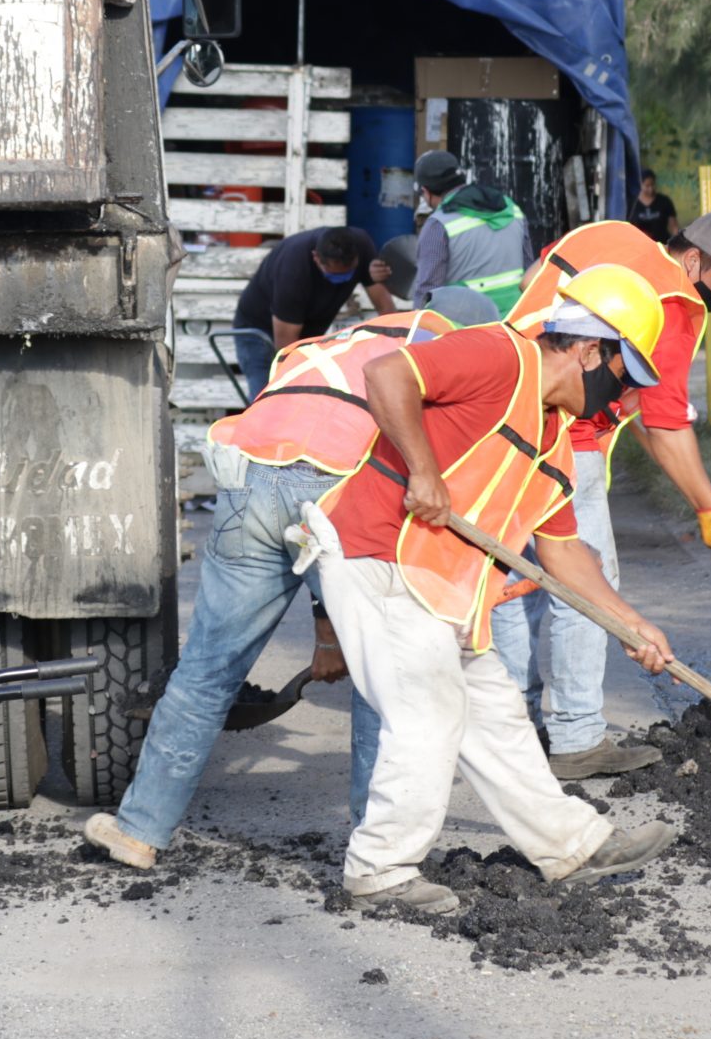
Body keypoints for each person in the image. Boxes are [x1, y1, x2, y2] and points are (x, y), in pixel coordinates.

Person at [309, 267, 681, 914]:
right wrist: (423, 469)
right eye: (622, 379)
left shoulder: (554, 443)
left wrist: (630, 622)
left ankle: (572, 844)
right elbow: (387, 374)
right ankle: (380, 868)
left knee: (500, 719)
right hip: (378, 555)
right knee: (429, 709)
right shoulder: (499, 353)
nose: (619, 401)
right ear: (590, 348)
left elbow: (563, 551)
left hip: (441, 590)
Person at [84, 309, 471, 870]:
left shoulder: (316, 348)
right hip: (342, 483)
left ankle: (139, 830)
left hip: (250, 478)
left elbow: (294, 481)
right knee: (378, 679)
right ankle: (377, 852)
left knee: (205, 672)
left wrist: (328, 633)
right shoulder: (437, 351)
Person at [490, 210, 711, 777]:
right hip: (568, 435)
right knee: (590, 582)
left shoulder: (606, 235)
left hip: (508, 412)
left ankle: (508, 725)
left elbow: (530, 282)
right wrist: (710, 508)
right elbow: (664, 423)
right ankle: (576, 737)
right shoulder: (672, 301)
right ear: (694, 260)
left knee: (515, 581)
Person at [228, 227, 399, 399]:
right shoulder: (294, 271)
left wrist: (392, 351)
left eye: (349, 272)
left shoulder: (360, 246)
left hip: (308, 331)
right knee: (269, 398)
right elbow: (285, 349)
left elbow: (385, 308)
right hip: (260, 331)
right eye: (334, 274)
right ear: (316, 258)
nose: (344, 278)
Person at [407, 150, 532, 315]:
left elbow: (428, 296)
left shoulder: (438, 225)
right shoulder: (512, 210)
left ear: (426, 191)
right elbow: (531, 272)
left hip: (465, 332)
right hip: (513, 327)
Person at [628, 169, 678, 243]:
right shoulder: (632, 204)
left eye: (653, 185)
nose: (651, 189)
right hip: (640, 245)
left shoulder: (664, 201)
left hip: (662, 245)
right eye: (647, 186)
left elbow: (673, 226)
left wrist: (676, 241)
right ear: (640, 185)